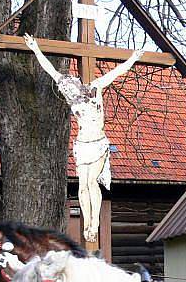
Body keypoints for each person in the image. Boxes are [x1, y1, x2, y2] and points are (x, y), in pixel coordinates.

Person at [24, 34, 144, 243]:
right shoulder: (71, 96)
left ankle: (93, 224)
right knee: (82, 186)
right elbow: (51, 71)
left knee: (91, 183)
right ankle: (87, 223)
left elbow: (116, 73)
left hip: (97, 144)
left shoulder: (95, 87)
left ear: (78, 84)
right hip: (82, 145)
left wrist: (133, 58)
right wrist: (35, 49)